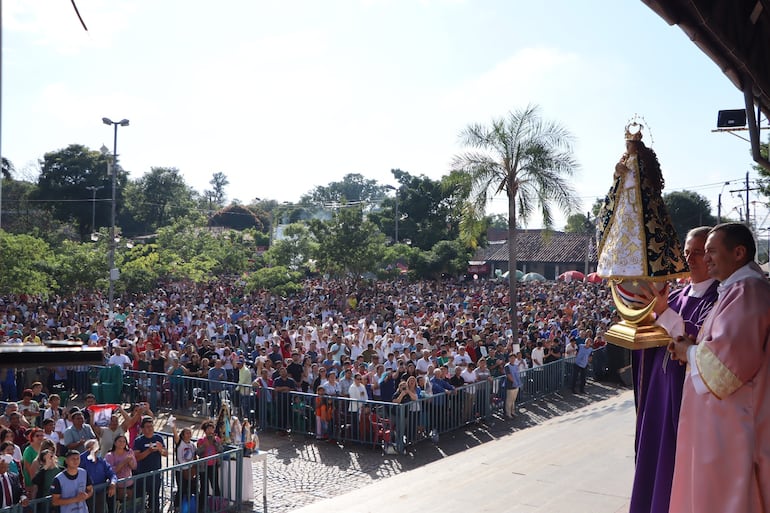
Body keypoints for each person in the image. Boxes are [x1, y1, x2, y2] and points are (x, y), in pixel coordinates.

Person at [668, 223, 770, 513]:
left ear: (738, 252)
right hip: (722, 423)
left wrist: (687, 351)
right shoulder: (737, 289)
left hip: (734, 426)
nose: (706, 259)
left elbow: (726, 370)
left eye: (711, 251)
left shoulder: (747, 292)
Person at [629, 226, 718, 513]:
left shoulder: (719, 300)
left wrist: (663, 312)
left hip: (686, 401)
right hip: (660, 393)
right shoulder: (677, 296)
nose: (690, 259)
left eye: (698, 253)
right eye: (687, 253)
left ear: (713, 256)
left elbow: (696, 344)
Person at [596, 122, 687, 280]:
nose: (627, 148)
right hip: (624, 205)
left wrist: (628, 174)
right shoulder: (625, 160)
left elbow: (644, 181)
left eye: (629, 145)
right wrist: (618, 172)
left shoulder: (644, 161)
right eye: (626, 145)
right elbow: (616, 184)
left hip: (642, 207)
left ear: (636, 145)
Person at [133, 417, 167, 513]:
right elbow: (137, 457)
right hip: (141, 473)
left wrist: (160, 449)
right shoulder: (138, 440)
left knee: (155, 498)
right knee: (139, 498)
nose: (150, 429)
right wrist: (148, 451)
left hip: (155, 473)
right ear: (142, 429)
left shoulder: (158, 438)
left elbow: (166, 453)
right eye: (147, 427)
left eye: (151, 426)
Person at [79, 439, 117, 513]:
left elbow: (111, 474)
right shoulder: (81, 460)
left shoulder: (102, 461)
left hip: (100, 493)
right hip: (86, 494)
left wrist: (113, 483)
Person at [196, 421, 222, 506]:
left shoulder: (217, 439)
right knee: (204, 487)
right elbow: (198, 452)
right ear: (205, 430)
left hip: (213, 465)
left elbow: (221, 449)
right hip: (204, 467)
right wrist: (204, 445)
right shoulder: (201, 440)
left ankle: (218, 504)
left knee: (215, 485)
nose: (210, 431)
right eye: (208, 429)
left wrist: (215, 442)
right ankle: (202, 506)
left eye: (212, 429)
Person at [104, 435, 136, 505]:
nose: (122, 443)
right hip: (116, 485)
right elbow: (111, 472)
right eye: (120, 441)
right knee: (117, 505)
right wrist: (124, 462)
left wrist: (130, 462)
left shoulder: (130, 452)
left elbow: (134, 467)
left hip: (128, 483)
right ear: (115, 443)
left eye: (124, 441)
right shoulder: (109, 455)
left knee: (128, 504)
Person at [503, 353, 522, 419]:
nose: (513, 359)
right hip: (510, 384)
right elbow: (508, 375)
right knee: (509, 400)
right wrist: (514, 381)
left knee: (513, 399)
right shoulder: (507, 366)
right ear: (509, 359)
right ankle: (508, 413)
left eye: (514, 358)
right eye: (511, 358)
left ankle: (512, 412)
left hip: (516, 384)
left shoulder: (516, 365)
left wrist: (517, 382)